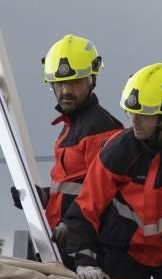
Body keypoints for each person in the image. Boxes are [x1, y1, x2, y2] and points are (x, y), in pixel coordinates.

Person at [62, 63, 162, 279]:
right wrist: (86, 262)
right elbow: (85, 209)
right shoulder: (116, 151)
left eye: (143, 115)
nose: (134, 121)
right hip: (122, 251)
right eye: (131, 112)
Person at [25, 35, 122, 264]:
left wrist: (72, 230)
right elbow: (73, 187)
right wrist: (44, 197)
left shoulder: (99, 127)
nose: (66, 90)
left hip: (86, 248)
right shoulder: (73, 126)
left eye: (75, 82)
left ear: (92, 79)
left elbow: (103, 195)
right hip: (64, 243)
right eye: (59, 83)